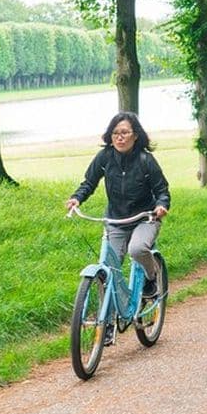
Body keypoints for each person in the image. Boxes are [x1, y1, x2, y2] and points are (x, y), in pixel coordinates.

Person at [66, 111, 170, 300]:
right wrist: (76, 198)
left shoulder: (146, 160)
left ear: (136, 135)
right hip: (116, 220)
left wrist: (161, 206)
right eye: (115, 133)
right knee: (108, 269)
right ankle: (110, 318)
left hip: (145, 218)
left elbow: (162, 190)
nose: (120, 137)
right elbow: (89, 183)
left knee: (137, 249)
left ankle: (151, 277)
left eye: (125, 133)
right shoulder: (105, 157)